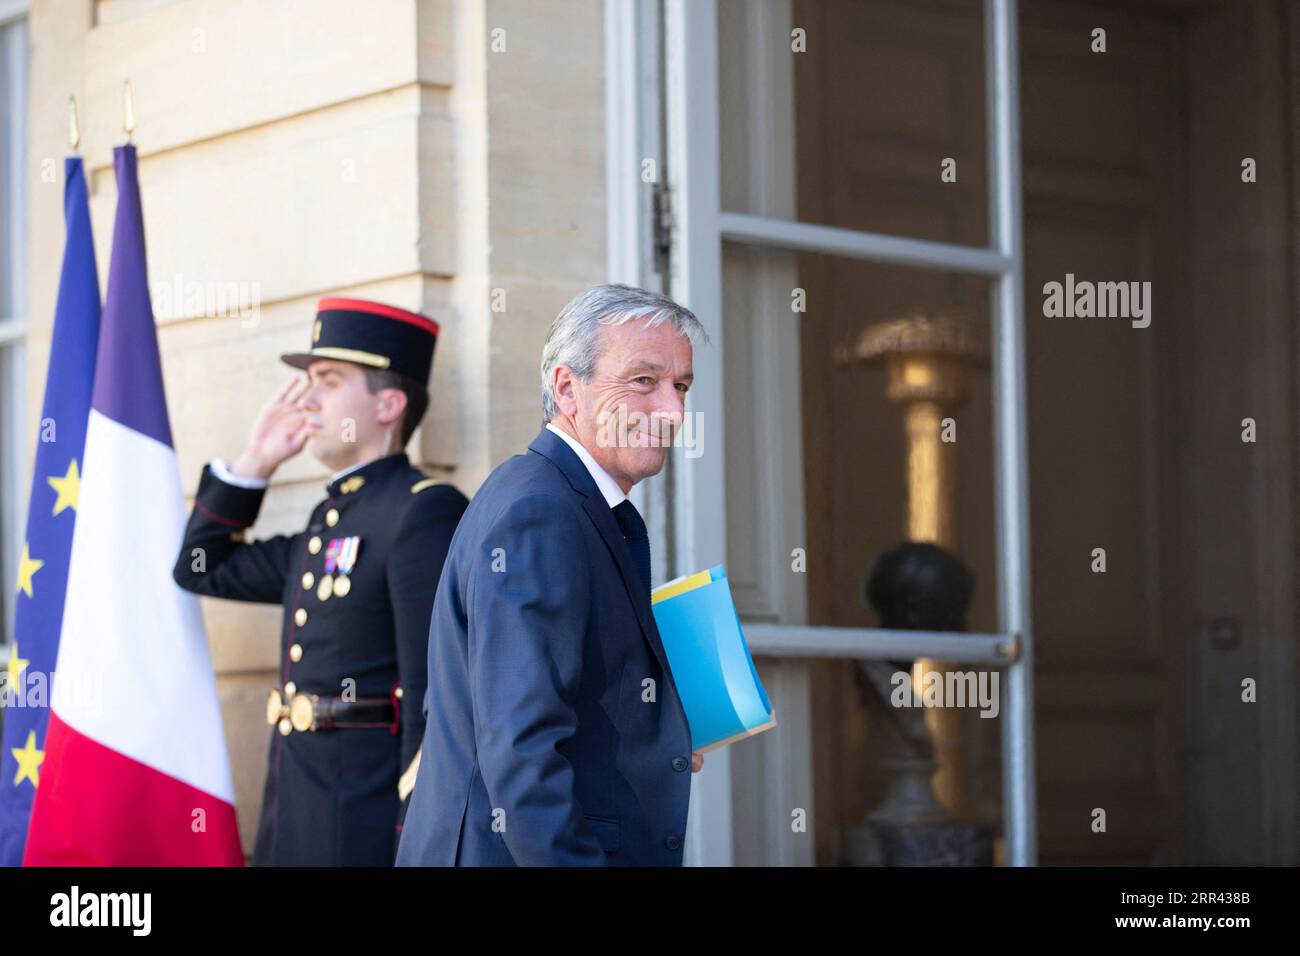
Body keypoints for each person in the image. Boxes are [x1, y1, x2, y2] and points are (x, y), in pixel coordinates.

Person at [397, 284, 708, 867]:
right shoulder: (541, 513)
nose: (673, 412)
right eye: (643, 381)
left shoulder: (567, 499)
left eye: (681, 386)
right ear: (568, 389)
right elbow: (522, 751)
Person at [173, 297, 468, 865]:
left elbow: (434, 695)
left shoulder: (421, 512)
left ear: (389, 403)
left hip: (365, 820)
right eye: (308, 382)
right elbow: (201, 566)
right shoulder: (326, 521)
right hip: (294, 807)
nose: (306, 399)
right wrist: (253, 462)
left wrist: (416, 832)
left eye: (328, 381)